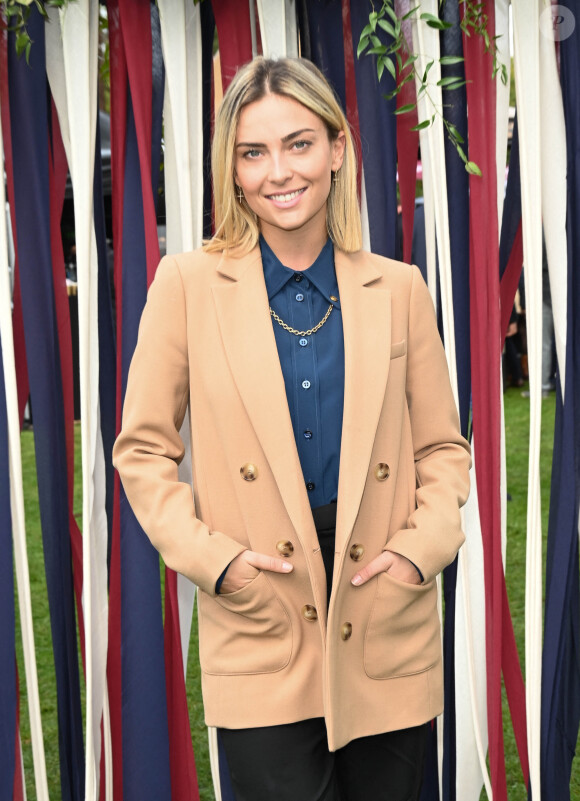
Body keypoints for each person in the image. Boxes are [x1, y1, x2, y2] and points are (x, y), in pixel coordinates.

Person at [113, 57, 471, 801]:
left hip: (383, 613)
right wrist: (217, 563)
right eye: (253, 152)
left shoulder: (399, 289)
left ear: (337, 149)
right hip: (261, 615)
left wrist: (417, 553)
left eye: (299, 143)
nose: (279, 170)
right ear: (233, 169)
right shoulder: (185, 287)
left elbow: (441, 447)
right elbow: (143, 449)